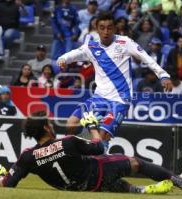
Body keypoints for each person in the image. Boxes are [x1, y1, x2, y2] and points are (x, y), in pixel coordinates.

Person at [0, 110, 182, 194]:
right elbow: (99, 147)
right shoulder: (67, 142)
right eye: (49, 123)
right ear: (46, 128)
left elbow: (8, 183)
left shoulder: (27, 156)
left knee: (117, 185)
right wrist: (92, 126)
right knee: (135, 163)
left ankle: (141, 191)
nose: (52, 125)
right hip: (98, 173)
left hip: (82, 189)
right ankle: (181, 181)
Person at [57, 12, 173, 145]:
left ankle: (97, 159)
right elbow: (73, 54)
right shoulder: (91, 46)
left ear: (114, 28)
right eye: (102, 28)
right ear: (97, 28)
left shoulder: (125, 42)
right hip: (99, 97)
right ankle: (72, 157)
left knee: (102, 136)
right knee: (71, 123)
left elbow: (146, 58)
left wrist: (163, 75)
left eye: (109, 27)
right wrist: (63, 58)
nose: (106, 31)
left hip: (120, 99)